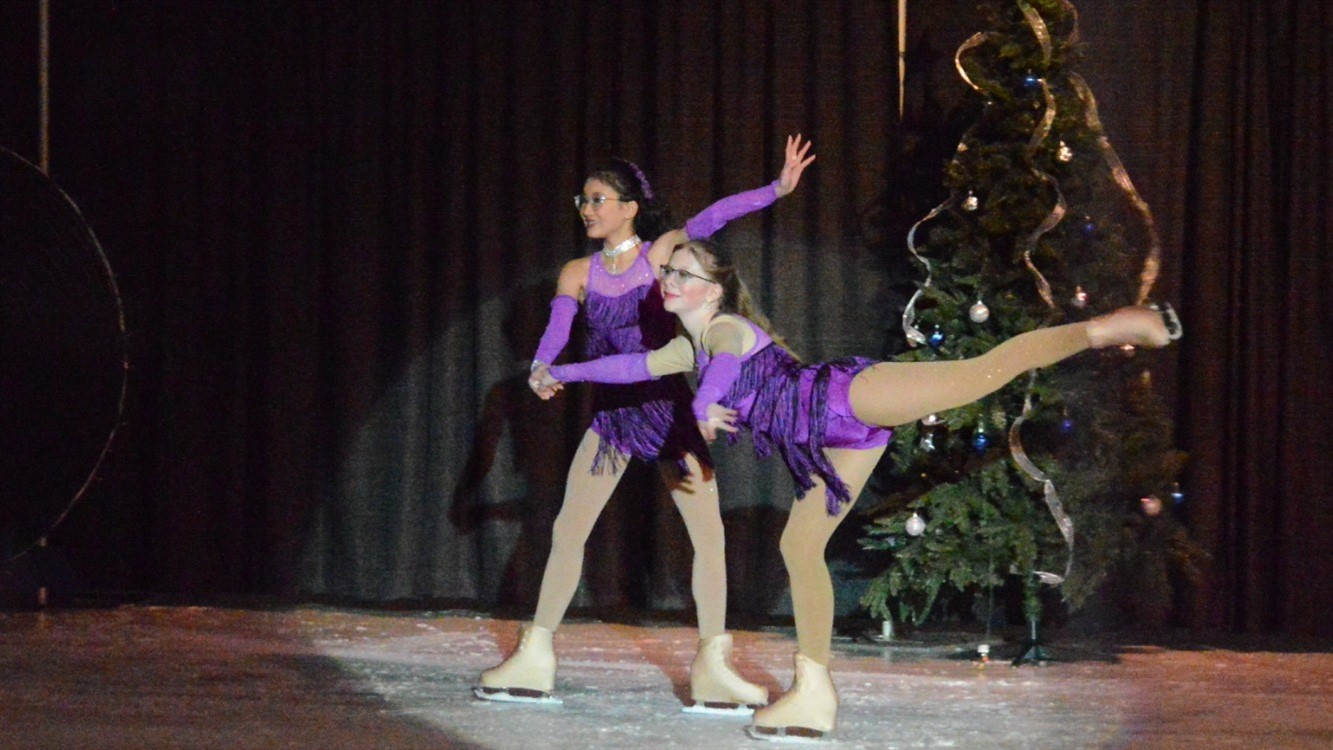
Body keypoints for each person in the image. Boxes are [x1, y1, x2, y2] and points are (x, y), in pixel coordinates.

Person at [537, 238, 1180, 740]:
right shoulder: (688, 346)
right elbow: (629, 365)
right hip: (834, 445)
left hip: (850, 399)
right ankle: (814, 692)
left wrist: (706, 406)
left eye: (684, 274)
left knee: (987, 370)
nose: (669, 281)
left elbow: (726, 368)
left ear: (714, 289)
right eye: (667, 271)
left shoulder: (724, 330)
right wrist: (558, 368)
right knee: (800, 547)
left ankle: (1109, 327)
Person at [474, 137, 817, 713]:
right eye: (582, 199)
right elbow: (559, 326)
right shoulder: (578, 271)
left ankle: (713, 668)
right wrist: (541, 365)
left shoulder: (660, 255)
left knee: (708, 540)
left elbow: (715, 216)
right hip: (612, 416)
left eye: (599, 198)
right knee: (567, 530)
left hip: (669, 408)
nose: (586, 208)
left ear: (630, 206)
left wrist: (777, 189)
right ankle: (535, 657)